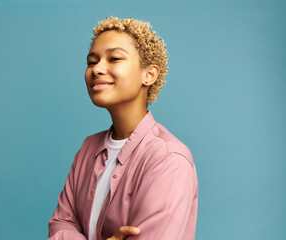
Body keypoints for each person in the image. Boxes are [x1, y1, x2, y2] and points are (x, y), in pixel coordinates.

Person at [48, 16, 198, 240]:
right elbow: (60, 224)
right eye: (91, 61)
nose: (97, 69)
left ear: (149, 74)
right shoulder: (88, 149)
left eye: (114, 58)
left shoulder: (169, 159)